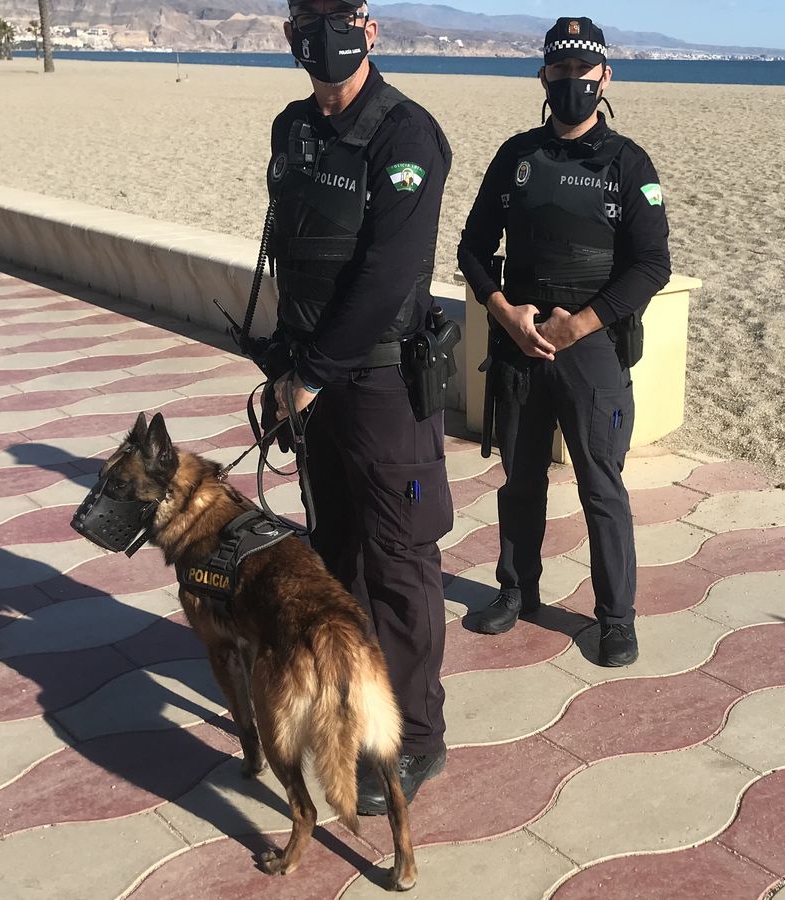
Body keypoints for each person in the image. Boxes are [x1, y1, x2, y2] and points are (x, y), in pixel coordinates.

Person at [265, 0, 452, 813]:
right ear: (291, 35)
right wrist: (283, 367)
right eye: (312, 17)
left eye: (343, 15)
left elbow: (388, 274)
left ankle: (416, 739)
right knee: (336, 555)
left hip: (380, 386)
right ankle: (349, 708)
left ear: (370, 29)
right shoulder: (290, 129)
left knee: (402, 565)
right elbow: (292, 257)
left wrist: (313, 372)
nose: (328, 34)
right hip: (312, 381)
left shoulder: (407, 135)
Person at [456, 16, 672, 666]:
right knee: (519, 481)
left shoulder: (628, 164)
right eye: (560, 71)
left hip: (591, 348)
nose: (572, 82)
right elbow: (471, 248)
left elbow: (651, 265)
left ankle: (616, 618)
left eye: (584, 72)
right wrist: (504, 312)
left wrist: (581, 323)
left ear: (605, 76)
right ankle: (515, 592)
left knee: (600, 486)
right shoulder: (518, 156)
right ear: (543, 76)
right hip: (520, 345)